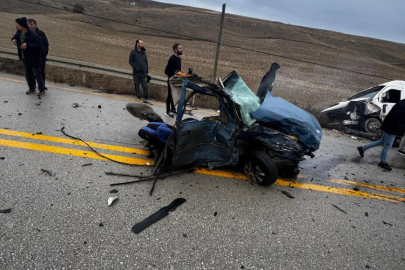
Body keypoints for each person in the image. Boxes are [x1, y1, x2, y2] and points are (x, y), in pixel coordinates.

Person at [357, 99, 405, 171]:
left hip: (389, 126)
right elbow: (397, 118)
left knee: (381, 142)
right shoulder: (403, 105)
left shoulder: (402, 102)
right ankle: (383, 162)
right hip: (392, 128)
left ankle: (362, 148)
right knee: (388, 145)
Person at [12, 17, 45, 96]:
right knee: (28, 74)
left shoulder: (33, 35)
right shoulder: (19, 32)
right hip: (25, 57)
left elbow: (39, 45)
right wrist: (13, 39)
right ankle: (31, 88)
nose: (16, 26)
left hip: (34, 58)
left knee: (37, 74)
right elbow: (15, 37)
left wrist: (28, 45)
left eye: (17, 25)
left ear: (22, 25)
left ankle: (41, 90)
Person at [28, 18, 49, 90]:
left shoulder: (41, 34)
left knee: (41, 71)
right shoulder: (26, 34)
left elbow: (45, 45)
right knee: (30, 72)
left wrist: (44, 54)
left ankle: (42, 86)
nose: (30, 26)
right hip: (30, 57)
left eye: (31, 24)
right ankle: (32, 86)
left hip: (41, 57)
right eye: (28, 24)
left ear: (35, 25)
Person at [164, 43, 183, 117]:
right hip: (171, 80)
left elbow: (178, 70)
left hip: (176, 80)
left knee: (174, 95)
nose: (181, 49)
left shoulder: (179, 59)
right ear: (175, 50)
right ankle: (167, 111)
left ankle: (173, 109)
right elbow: (167, 71)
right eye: (180, 48)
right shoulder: (172, 59)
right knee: (169, 95)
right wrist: (173, 76)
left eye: (181, 48)